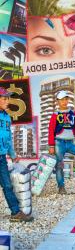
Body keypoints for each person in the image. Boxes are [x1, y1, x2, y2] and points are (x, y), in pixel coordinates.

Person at [0, 87, 34, 222]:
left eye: (8, 98)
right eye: (4, 98)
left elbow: (8, 138)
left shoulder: (7, 117)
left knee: (7, 185)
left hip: (1, 157)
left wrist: (13, 155)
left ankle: (15, 213)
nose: (7, 101)